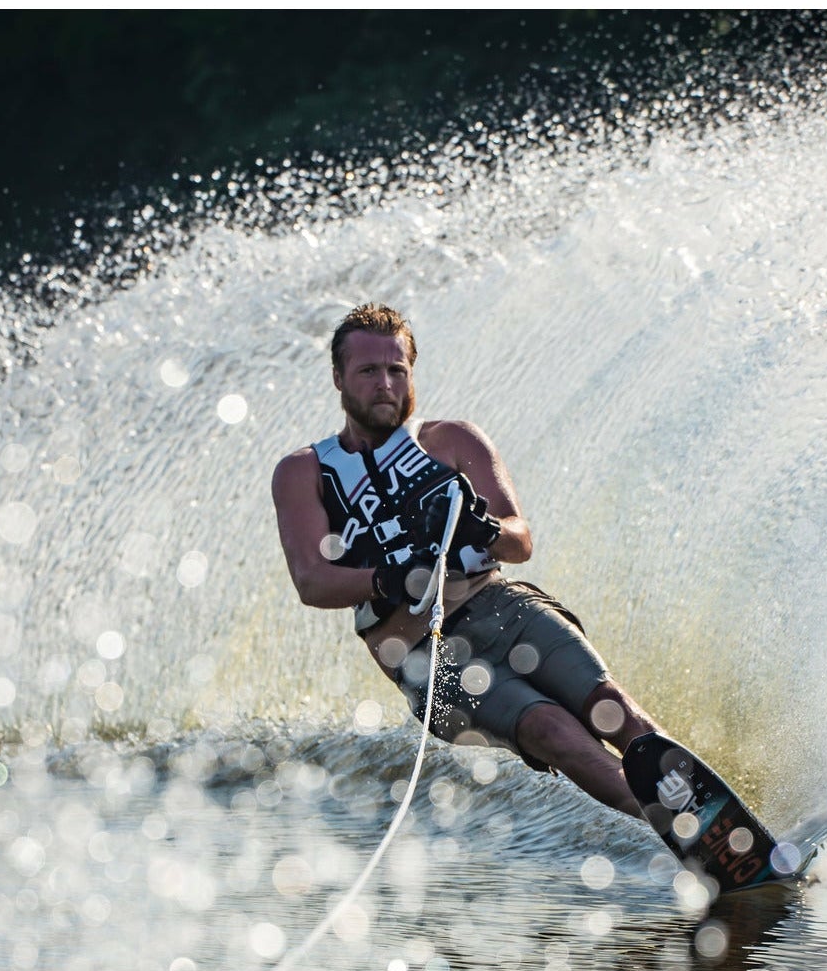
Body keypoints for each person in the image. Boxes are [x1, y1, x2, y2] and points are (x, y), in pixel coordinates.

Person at [271, 301, 664, 817]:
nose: (385, 384)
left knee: (615, 710)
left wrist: (486, 529)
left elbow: (520, 541)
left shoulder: (451, 439)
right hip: (426, 657)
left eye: (397, 370)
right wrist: (389, 579)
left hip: (504, 607)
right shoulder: (304, 471)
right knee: (549, 729)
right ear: (339, 379)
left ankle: (716, 817)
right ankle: (677, 830)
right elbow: (312, 582)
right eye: (368, 371)